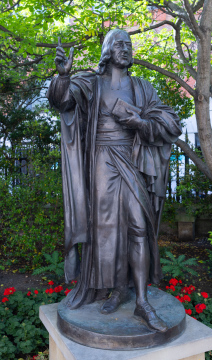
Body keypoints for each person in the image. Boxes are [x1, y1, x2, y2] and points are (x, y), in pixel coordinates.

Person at [47, 29, 182, 332]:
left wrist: (141, 123)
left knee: (138, 225)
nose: (126, 48)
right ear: (108, 50)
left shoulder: (142, 88)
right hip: (100, 162)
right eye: (120, 44)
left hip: (130, 160)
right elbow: (62, 102)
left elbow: (170, 123)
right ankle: (117, 287)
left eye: (129, 44)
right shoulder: (90, 84)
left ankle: (142, 302)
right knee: (105, 229)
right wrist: (63, 77)